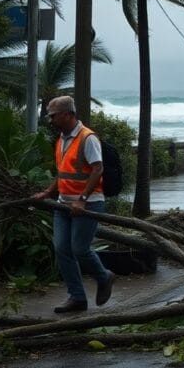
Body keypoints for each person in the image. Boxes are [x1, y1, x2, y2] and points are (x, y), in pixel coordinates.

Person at [31, 96, 115, 314]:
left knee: (80, 249)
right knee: (61, 249)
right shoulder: (61, 139)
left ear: (68, 114)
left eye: (53, 115)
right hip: (63, 205)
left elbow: (97, 169)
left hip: (88, 204)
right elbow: (63, 173)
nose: (50, 119)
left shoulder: (87, 138)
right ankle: (77, 297)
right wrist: (48, 192)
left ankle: (104, 276)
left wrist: (82, 199)